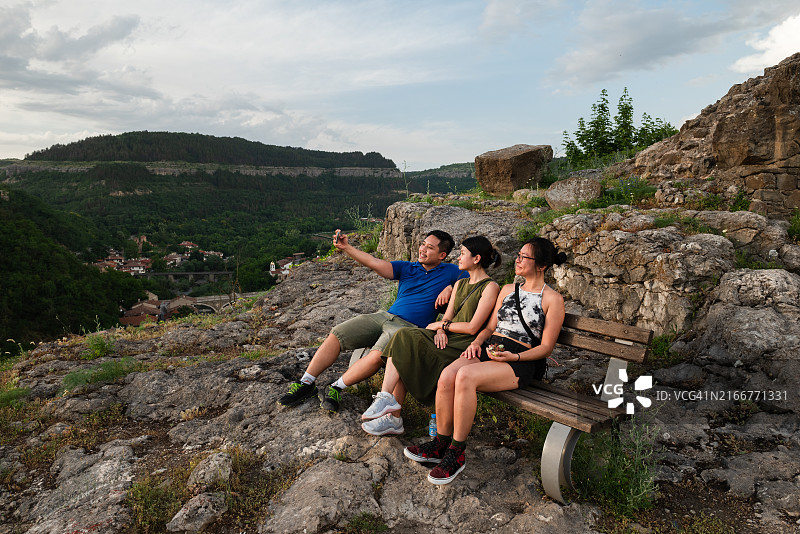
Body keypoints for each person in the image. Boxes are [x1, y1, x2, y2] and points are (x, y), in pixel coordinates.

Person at [403, 237, 567, 485]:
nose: (518, 260)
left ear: (541, 266)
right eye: (519, 255)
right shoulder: (508, 289)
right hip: (491, 348)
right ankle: (440, 444)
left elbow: (545, 347)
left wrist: (515, 356)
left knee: (465, 377)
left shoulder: (552, 299)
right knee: (447, 376)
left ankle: (456, 454)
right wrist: (477, 343)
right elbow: (491, 327)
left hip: (520, 360)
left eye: (524, 257)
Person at [277, 229, 468, 413]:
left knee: (379, 354)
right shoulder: (407, 267)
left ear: (442, 255)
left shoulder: (452, 272)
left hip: (407, 328)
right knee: (338, 333)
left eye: (430, 247)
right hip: (384, 316)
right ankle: (306, 383)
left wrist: (452, 287)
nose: (422, 249)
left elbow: (476, 281)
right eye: (422, 244)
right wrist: (346, 248)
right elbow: (373, 262)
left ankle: (335, 387)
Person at [360, 236, 501, 436]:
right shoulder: (460, 284)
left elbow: (472, 327)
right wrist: (441, 330)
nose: (458, 258)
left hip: (464, 343)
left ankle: (393, 415)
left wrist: (441, 325)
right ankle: (386, 400)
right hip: (448, 336)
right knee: (403, 337)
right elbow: (448, 316)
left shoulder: (490, 287)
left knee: (409, 346)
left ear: (476, 259)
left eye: (462, 254)